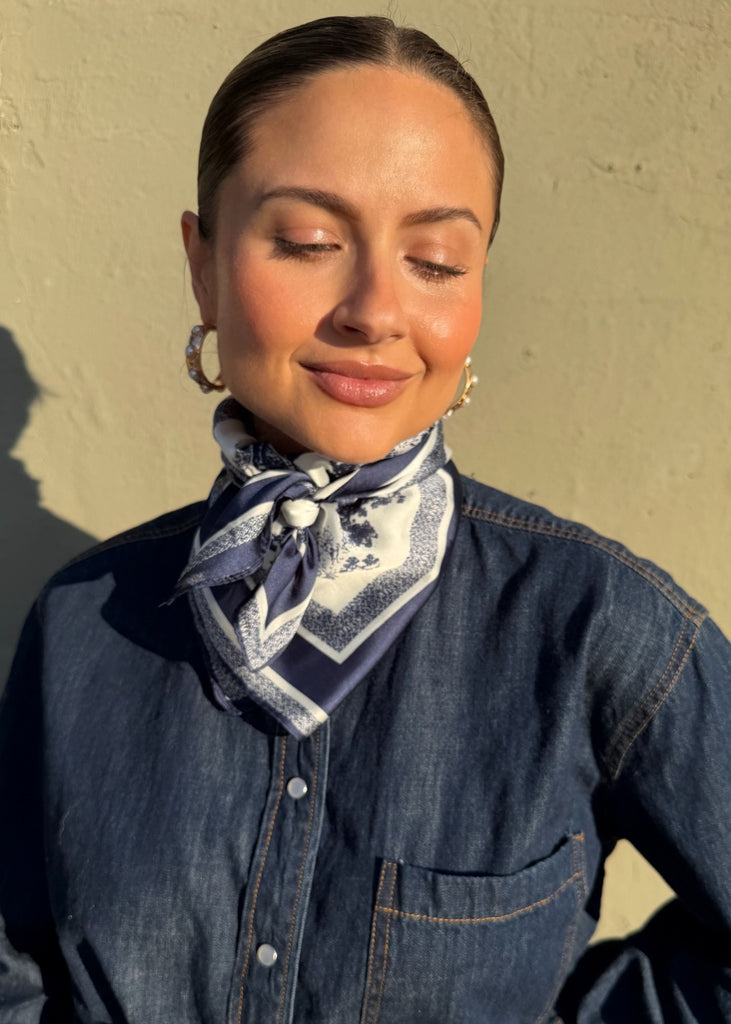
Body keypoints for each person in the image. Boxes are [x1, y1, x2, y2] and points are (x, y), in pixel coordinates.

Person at [1, 14, 729, 1023]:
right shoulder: (81, 628)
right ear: (202, 265)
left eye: (434, 259)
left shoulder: (596, 624)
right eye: (307, 241)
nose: (374, 309)